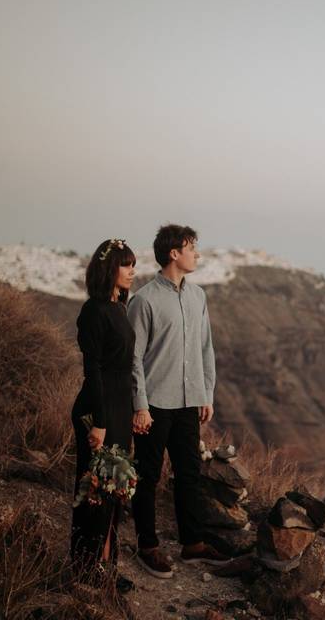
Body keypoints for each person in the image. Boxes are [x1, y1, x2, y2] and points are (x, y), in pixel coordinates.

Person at [128, 224, 230, 578]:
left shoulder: (198, 296)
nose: (197, 254)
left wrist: (206, 393)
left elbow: (205, 349)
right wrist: (139, 405)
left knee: (189, 474)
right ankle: (147, 546)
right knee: (147, 476)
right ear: (174, 253)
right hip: (153, 405)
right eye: (192, 248)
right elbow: (133, 359)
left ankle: (193, 544)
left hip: (189, 402)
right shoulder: (143, 301)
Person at [70, 238, 137, 592]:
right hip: (98, 412)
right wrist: (99, 421)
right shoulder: (94, 310)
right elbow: (92, 369)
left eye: (132, 264)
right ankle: (86, 570)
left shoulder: (118, 307)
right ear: (109, 268)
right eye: (126, 265)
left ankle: (106, 564)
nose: (132, 271)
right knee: (93, 491)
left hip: (119, 410)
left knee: (114, 491)